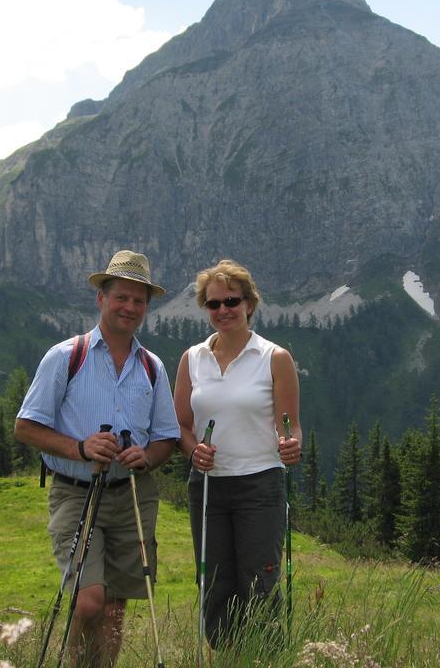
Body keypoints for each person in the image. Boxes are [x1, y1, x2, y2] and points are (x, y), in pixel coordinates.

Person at [15, 249, 179, 668]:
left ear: (146, 307)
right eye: (121, 297)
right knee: (89, 601)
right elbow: (26, 427)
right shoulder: (66, 356)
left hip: (132, 496)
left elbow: (167, 439)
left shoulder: (152, 366)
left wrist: (147, 456)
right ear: (101, 299)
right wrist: (81, 449)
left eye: (138, 300)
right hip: (76, 493)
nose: (130, 307)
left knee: (114, 609)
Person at [174, 258, 302, 649]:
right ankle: (225, 656)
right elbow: (180, 426)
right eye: (214, 304)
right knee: (214, 585)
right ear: (205, 309)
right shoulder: (191, 359)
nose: (223, 310)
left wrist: (292, 444)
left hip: (260, 484)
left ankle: (264, 657)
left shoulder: (274, 357)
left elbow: (291, 424)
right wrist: (193, 451)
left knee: (259, 583)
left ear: (249, 303)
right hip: (208, 488)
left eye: (232, 301)